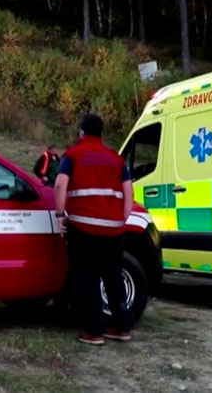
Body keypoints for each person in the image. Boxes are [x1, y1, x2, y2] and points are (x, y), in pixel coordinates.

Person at [54, 113, 134, 346]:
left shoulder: (73, 155)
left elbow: (60, 185)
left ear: (81, 132)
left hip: (83, 227)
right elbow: (129, 192)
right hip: (114, 230)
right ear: (102, 134)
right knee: (113, 277)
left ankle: (94, 331)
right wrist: (122, 219)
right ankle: (122, 327)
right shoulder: (116, 159)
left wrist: (60, 215)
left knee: (87, 277)